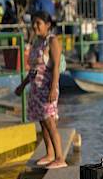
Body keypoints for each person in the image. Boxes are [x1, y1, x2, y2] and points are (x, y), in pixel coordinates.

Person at [15, 11, 67, 169]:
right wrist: (23, 85)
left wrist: (53, 89)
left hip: (47, 88)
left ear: (48, 25)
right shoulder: (37, 42)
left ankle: (60, 157)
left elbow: (56, 67)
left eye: (38, 23)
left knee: (49, 121)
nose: (35, 26)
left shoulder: (52, 41)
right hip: (36, 89)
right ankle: (49, 153)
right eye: (33, 23)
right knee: (42, 122)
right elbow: (34, 69)